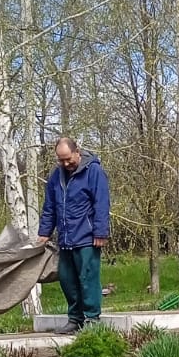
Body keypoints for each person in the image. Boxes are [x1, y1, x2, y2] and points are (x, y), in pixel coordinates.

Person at [37, 136, 110, 332]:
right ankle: (75, 319)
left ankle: (92, 318)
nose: (66, 163)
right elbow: (49, 207)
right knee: (67, 279)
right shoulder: (56, 177)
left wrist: (100, 231)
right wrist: (44, 232)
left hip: (87, 237)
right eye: (61, 160)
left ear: (77, 152)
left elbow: (101, 203)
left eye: (68, 158)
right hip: (66, 238)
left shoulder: (93, 171)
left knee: (87, 278)